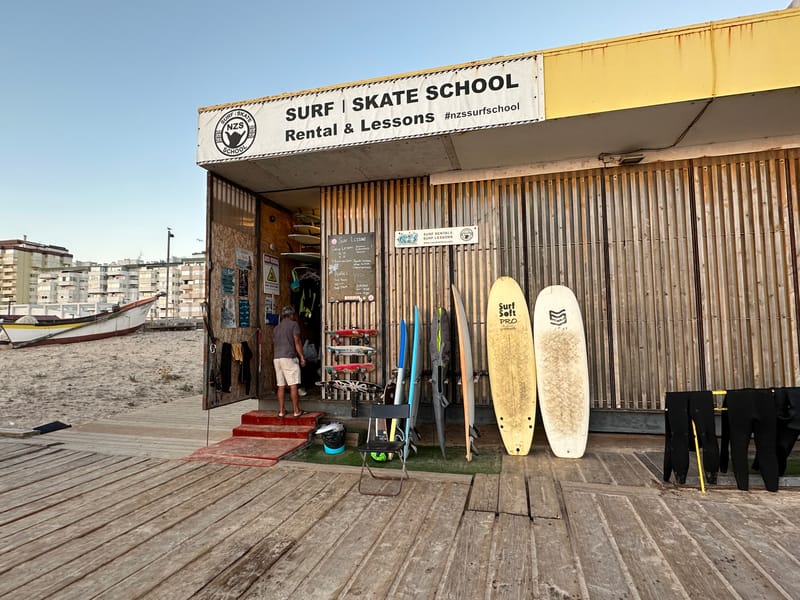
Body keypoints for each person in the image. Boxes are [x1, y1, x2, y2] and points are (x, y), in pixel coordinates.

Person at [273, 305, 307, 417]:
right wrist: (302, 356)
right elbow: (297, 341)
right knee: (293, 385)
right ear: (292, 315)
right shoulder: (294, 325)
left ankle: (281, 411)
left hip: (277, 358)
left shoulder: (276, 328)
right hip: (288, 357)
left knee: (281, 385)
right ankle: (296, 411)